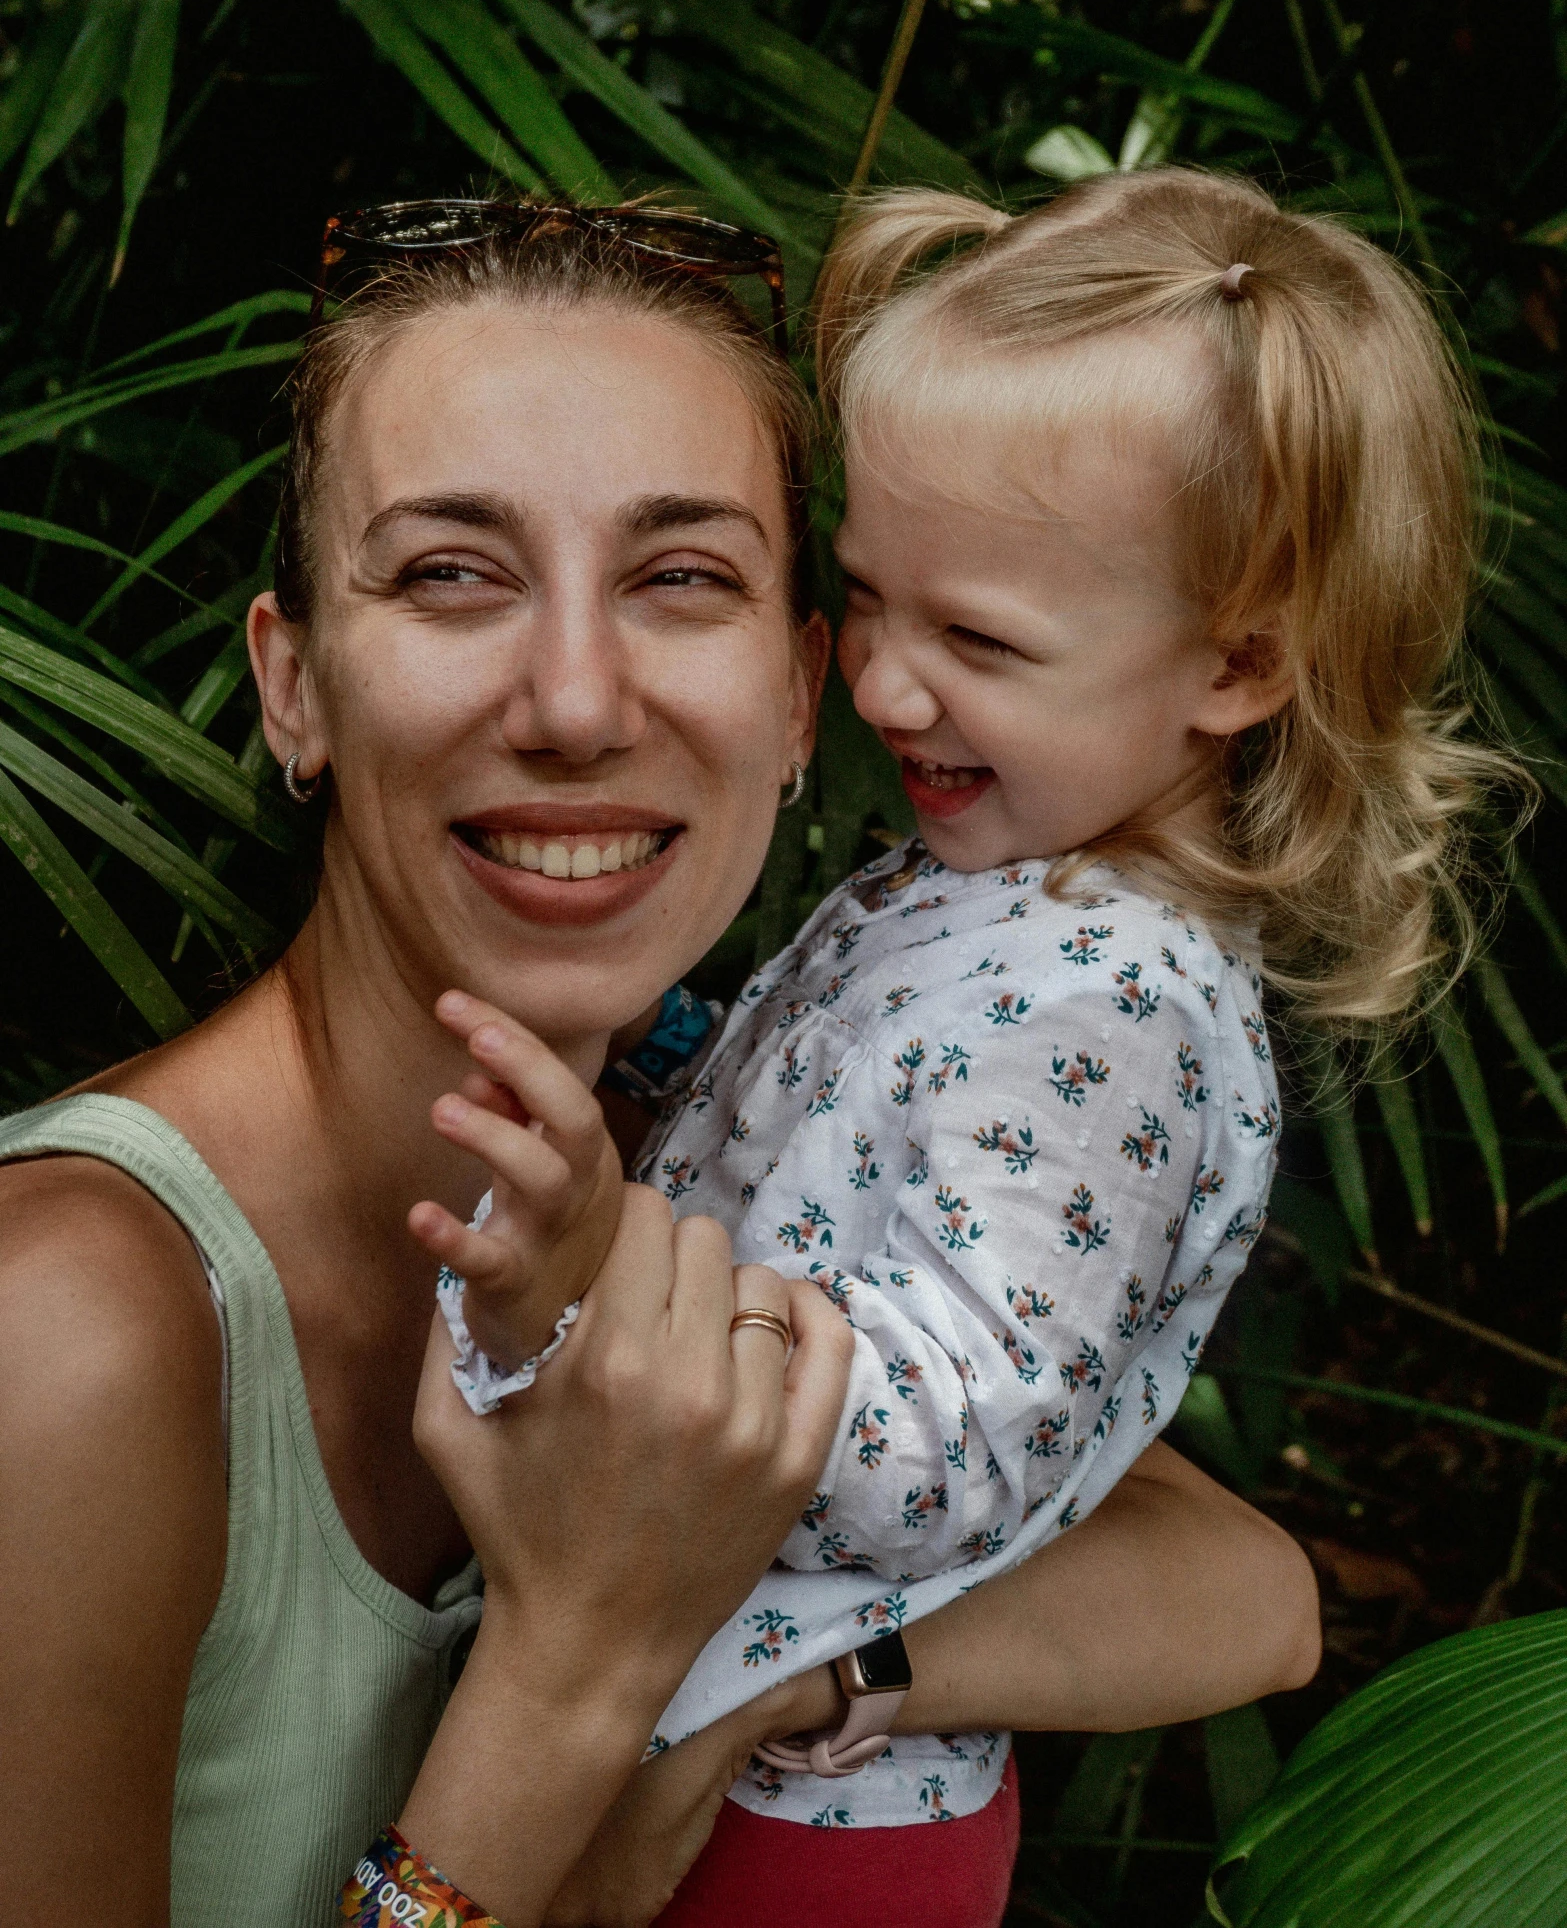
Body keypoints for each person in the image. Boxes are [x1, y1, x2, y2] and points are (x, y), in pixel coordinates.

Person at [0, 201, 1320, 1928]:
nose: (573, 698)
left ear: (795, 698)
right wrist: (570, 1685)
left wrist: (800, 1678)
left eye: (678, 576)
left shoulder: (697, 1148)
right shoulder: (71, 1330)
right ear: (295, 684)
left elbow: (1244, 1586)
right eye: (452, 571)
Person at [427, 172, 1515, 1918]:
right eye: (869, 597)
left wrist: (607, 1264)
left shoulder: (1109, 1008)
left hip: (801, 1831)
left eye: (978, 640)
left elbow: (948, 1454)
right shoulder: (1012, 888)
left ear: (1234, 665)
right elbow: (852, 1125)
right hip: (731, 1761)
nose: (880, 685)